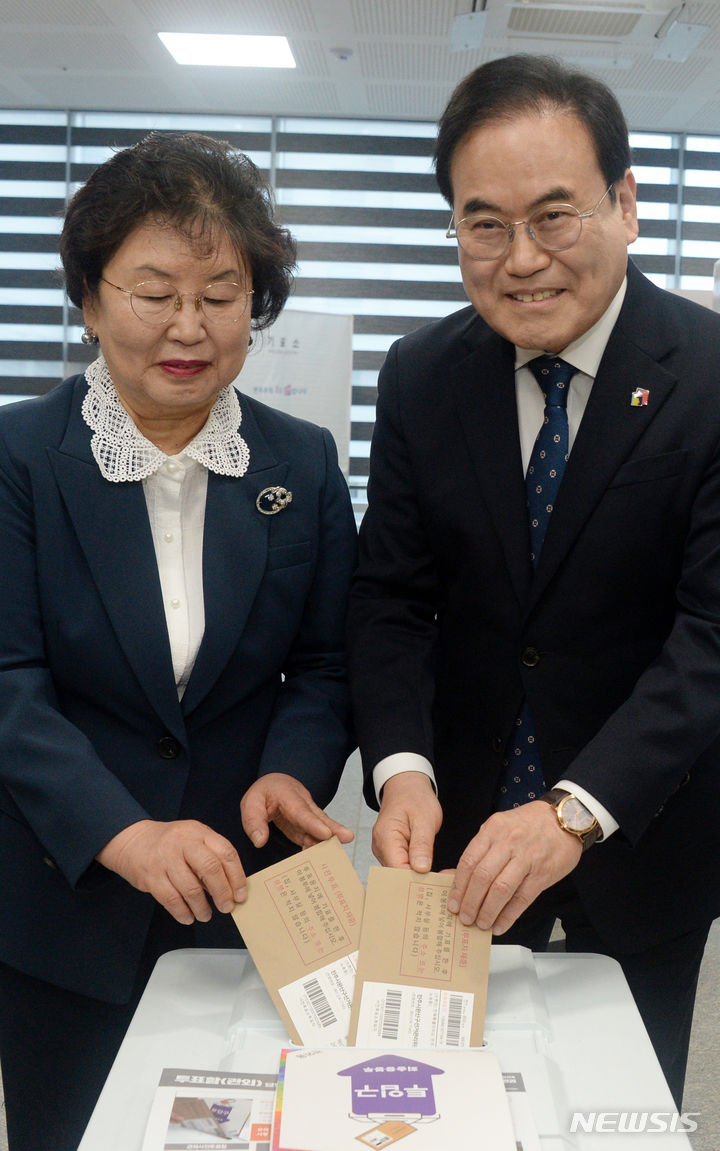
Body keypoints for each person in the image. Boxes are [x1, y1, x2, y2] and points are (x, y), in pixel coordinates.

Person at [347, 53, 720, 1108]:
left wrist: (573, 811)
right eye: (485, 224)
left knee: (615, 1106)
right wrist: (402, 767)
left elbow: (712, 631)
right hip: (451, 836)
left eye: (555, 216)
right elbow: (390, 594)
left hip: (644, 831)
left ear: (627, 202)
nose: (521, 260)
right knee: (441, 1097)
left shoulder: (710, 374)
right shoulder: (423, 372)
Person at [0, 131, 357, 1150]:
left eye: (222, 291)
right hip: (65, 899)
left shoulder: (303, 461)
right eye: (154, 290)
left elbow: (324, 664)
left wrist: (294, 767)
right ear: (91, 297)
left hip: (246, 897)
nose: (188, 326)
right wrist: (125, 832)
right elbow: (9, 681)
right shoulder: (20, 455)